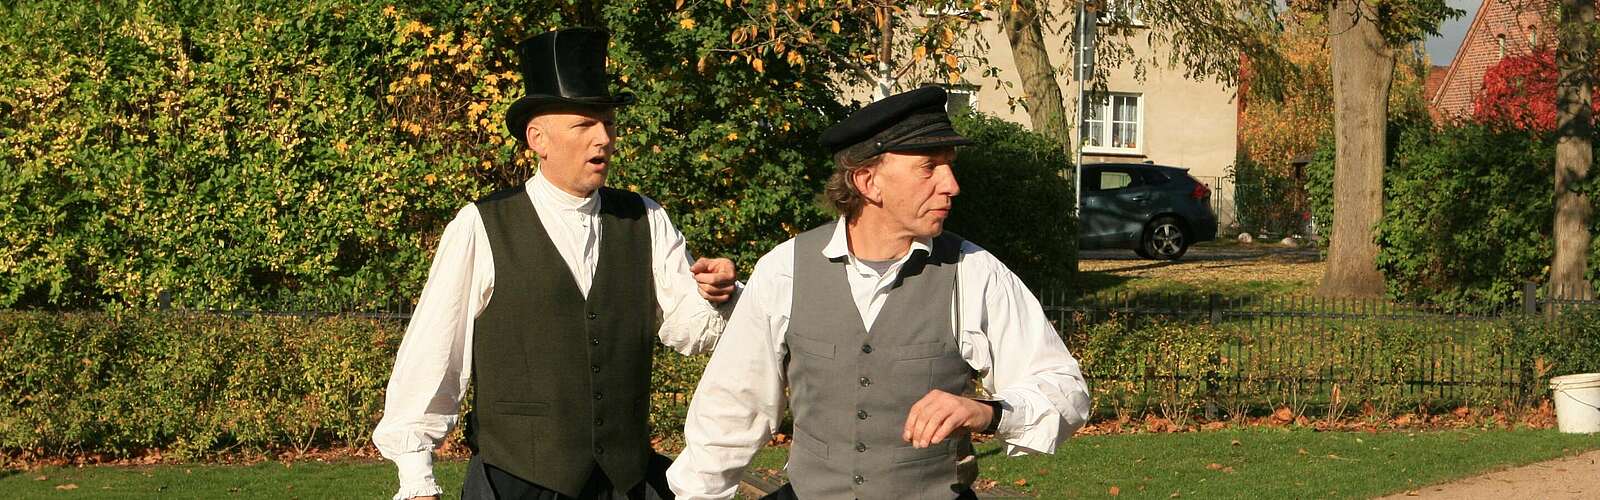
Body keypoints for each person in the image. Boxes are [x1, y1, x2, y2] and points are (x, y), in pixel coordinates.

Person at [665, 86, 1091, 500]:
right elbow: (731, 409)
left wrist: (988, 412)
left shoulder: (974, 272)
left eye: (949, 165)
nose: (952, 185)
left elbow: (1064, 389)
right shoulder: (784, 271)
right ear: (868, 182)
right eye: (929, 167)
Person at [373, 27, 739, 500]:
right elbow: (435, 351)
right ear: (538, 138)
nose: (604, 138)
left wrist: (718, 293)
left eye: (607, 123)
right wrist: (416, 473)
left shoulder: (644, 217)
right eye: (585, 125)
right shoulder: (482, 225)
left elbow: (689, 331)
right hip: (517, 481)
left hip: (622, 483)